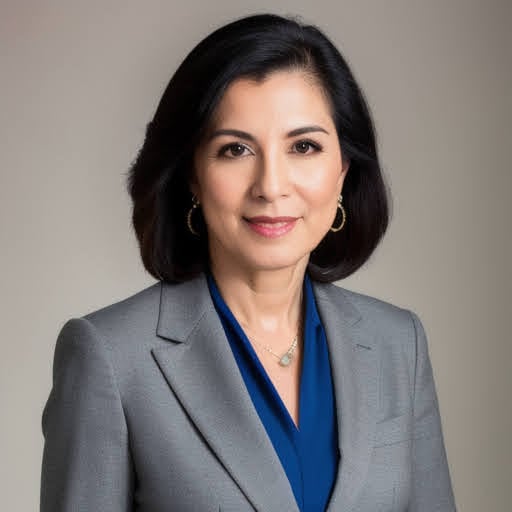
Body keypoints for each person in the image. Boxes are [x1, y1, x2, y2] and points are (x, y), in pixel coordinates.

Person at [40, 13, 456, 512]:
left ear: (343, 169)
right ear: (192, 176)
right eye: (235, 149)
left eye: (304, 146)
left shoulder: (398, 344)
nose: (271, 185)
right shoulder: (110, 358)